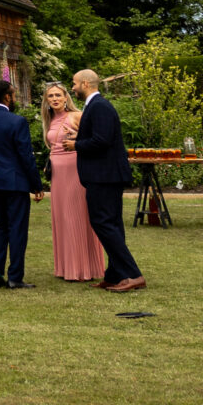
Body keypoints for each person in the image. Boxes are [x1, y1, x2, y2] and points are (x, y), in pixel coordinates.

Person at [71, 69, 144, 290]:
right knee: (111, 223)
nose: (72, 88)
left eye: (74, 84)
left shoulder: (99, 106)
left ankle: (133, 274)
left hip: (104, 175)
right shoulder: (95, 105)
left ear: (85, 83)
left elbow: (101, 141)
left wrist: (76, 144)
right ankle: (115, 275)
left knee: (102, 222)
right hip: (104, 175)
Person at [0, 79, 44, 290]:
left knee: (1, 225)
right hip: (15, 181)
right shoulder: (17, 121)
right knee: (18, 228)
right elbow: (26, 156)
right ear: (6, 97)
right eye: (13, 94)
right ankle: (15, 276)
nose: (15, 98)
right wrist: (36, 185)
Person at [42, 83, 102, 281]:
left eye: (58, 95)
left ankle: (84, 269)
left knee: (75, 216)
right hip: (57, 174)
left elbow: (95, 139)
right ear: (47, 100)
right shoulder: (49, 119)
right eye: (51, 96)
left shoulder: (76, 116)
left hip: (75, 169)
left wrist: (77, 137)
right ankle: (65, 267)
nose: (55, 99)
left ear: (66, 97)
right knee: (61, 218)